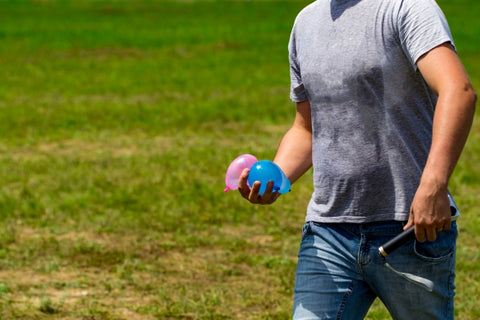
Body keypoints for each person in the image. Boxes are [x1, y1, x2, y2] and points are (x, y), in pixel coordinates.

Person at [237, 0, 476, 319]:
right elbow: (307, 128)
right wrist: (277, 176)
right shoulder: (306, 22)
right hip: (328, 230)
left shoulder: (408, 8)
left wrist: (433, 185)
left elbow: (457, 90)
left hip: (410, 230)